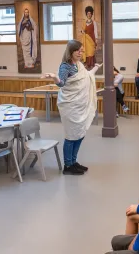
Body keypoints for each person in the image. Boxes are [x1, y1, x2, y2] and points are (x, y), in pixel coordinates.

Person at [42, 40, 101, 175]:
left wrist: (96, 68)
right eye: (78, 51)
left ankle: (74, 162)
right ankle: (68, 165)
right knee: (71, 136)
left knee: (79, 134)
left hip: (79, 106)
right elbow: (61, 84)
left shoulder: (79, 65)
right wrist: (54, 77)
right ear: (71, 51)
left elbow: (87, 77)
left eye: (82, 50)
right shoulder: (65, 66)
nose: (81, 53)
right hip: (70, 106)